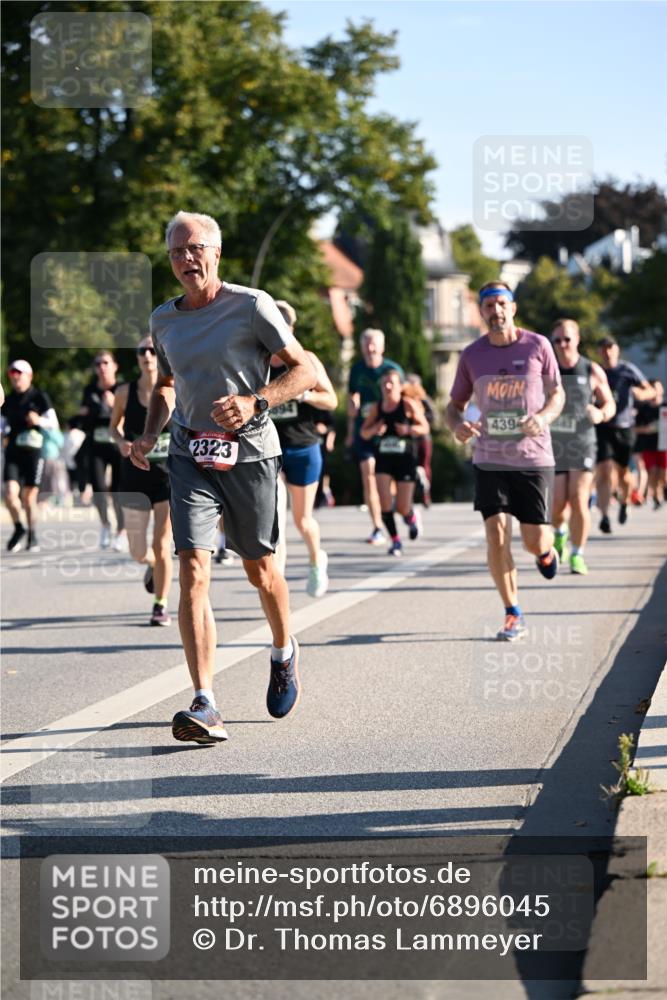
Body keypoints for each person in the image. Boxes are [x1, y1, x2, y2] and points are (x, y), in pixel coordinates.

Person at [130, 210, 316, 745]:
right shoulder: (164, 319)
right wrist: (148, 435)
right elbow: (167, 384)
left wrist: (256, 400)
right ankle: (205, 700)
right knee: (192, 565)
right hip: (190, 451)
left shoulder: (251, 306)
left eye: (195, 249)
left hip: (251, 454)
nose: (186, 259)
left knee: (261, 571)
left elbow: (303, 370)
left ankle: (283, 650)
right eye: (176, 252)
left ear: (215, 253)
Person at [446, 282, 565, 641]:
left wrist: (542, 417)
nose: (495, 311)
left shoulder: (538, 346)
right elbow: (453, 406)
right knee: (496, 534)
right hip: (489, 458)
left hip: (533, 456)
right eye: (488, 306)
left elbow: (557, 393)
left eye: (501, 304)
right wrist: (458, 427)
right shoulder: (471, 355)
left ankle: (545, 553)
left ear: (513, 307)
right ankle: (513, 611)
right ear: (481, 312)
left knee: (533, 541)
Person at [269, 300, 337, 598]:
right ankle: (278, 584)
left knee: (302, 520)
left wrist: (306, 394)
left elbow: (331, 400)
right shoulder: (254, 359)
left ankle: (315, 560)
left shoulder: (305, 359)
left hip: (303, 447)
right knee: (276, 519)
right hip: (270, 450)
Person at [110, 336, 173, 627]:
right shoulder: (124, 392)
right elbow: (114, 428)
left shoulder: (175, 388)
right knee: (138, 551)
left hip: (168, 477)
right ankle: (151, 566)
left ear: (160, 355)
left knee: (162, 545)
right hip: (134, 476)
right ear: (136, 357)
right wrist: (122, 442)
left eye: (152, 350)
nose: (147, 355)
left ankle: (160, 605)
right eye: (141, 351)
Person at [549, 319, 616, 575]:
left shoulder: (591, 370)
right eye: (557, 340)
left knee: (578, 499)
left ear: (577, 340)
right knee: (556, 503)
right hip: (554, 443)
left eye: (567, 339)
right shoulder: (547, 370)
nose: (563, 344)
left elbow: (609, 403)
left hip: (582, 442)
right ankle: (559, 532)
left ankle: (577, 554)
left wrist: (600, 414)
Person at [360, 369, 429, 556]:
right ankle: (396, 541)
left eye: (391, 383)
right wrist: (376, 429)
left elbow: (424, 427)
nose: (388, 386)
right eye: (384, 384)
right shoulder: (378, 407)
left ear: (399, 386)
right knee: (384, 503)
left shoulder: (407, 405)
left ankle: (411, 516)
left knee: (402, 507)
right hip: (384, 459)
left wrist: (408, 429)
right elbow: (364, 433)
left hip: (405, 460)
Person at [346, 328, 404, 544]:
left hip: (389, 432)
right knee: (369, 474)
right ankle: (377, 526)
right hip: (365, 430)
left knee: (388, 479)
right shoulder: (356, 370)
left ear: (382, 347)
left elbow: (404, 400)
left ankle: (402, 511)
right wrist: (351, 429)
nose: (370, 348)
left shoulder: (392, 369)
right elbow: (352, 399)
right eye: (366, 344)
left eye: (374, 344)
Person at [595, 336, 655, 533]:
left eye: (610, 348)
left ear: (617, 350)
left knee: (623, 473)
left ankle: (624, 502)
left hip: (624, 426)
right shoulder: (596, 372)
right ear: (599, 352)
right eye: (603, 349)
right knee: (603, 470)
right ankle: (604, 516)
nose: (607, 352)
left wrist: (640, 394)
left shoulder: (627, 370)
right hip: (603, 426)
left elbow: (650, 391)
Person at [2, 360, 59, 552]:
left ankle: (32, 535)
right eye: (12, 374)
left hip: (34, 452)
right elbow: (2, 424)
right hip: (13, 452)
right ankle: (19, 528)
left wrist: (39, 420)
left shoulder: (39, 397)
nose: (16, 377)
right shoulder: (8, 400)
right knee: (10, 494)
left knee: (28, 497)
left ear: (29, 376)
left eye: (20, 373)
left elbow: (54, 423)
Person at [79, 351, 127, 550]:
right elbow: (84, 420)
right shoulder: (90, 390)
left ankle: (121, 531)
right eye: (98, 363)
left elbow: (131, 417)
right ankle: (105, 525)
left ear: (115, 366)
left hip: (118, 444)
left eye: (106, 363)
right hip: (97, 445)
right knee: (99, 487)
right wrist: (86, 415)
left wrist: (114, 405)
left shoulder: (123, 389)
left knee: (117, 491)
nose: (102, 367)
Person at [403, 373, 435, 508]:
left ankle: (425, 494)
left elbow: (433, 417)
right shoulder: (403, 400)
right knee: (408, 466)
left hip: (422, 437)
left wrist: (419, 419)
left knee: (424, 466)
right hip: (409, 438)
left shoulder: (424, 399)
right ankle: (408, 496)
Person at [634, 379, 666, 510]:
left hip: (664, 445)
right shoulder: (644, 408)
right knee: (652, 472)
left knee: (663, 474)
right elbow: (634, 427)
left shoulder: (665, 406)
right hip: (648, 445)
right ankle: (656, 496)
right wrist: (646, 429)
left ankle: (660, 491)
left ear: (662, 390)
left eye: (658, 388)